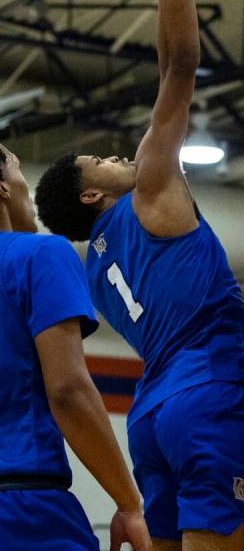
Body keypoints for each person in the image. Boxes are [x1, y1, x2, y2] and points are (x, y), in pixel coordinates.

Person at [34, 0, 244, 551]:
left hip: (153, 415)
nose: (122, 156)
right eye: (105, 160)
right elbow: (180, 66)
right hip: (208, 401)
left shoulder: (99, 274)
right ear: (93, 193)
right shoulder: (155, 190)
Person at [0, 144, 151, 551]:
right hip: (24, 506)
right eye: (17, 171)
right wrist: (129, 504)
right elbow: (68, 391)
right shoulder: (40, 253)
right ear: (1, 188)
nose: (24, 187)